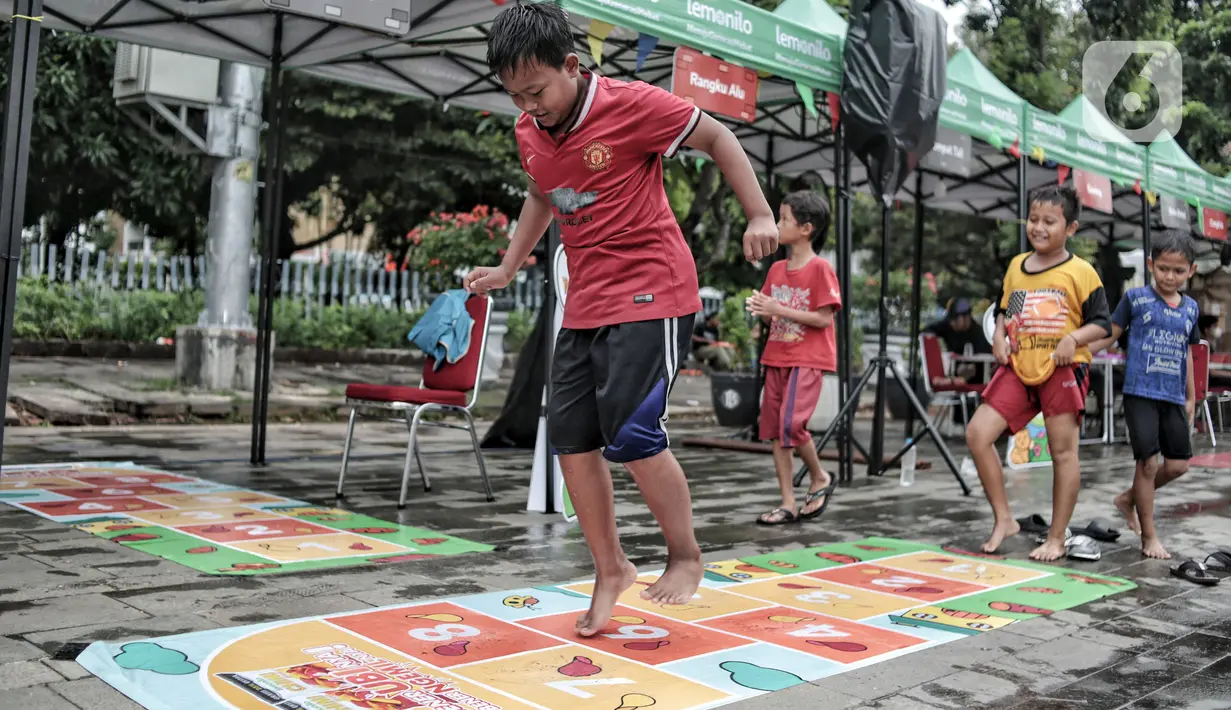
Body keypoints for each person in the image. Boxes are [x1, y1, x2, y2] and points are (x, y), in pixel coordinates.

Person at [462, 1, 778, 637]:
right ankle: (611, 568)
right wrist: (508, 266)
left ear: (571, 67)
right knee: (571, 441)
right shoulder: (530, 131)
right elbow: (541, 193)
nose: (528, 107)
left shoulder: (632, 104)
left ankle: (686, 556)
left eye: (537, 90)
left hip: (653, 291)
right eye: (514, 95)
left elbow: (720, 137)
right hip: (587, 302)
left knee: (632, 434)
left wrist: (761, 215)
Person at [965, 184, 1112, 561]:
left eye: (1050, 221)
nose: (1039, 227)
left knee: (1064, 453)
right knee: (978, 434)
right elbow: (1007, 309)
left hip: (1062, 369)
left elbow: (1103, 325)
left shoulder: (1082, 272)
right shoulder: (1017, 266)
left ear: (1071, 228)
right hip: (1019, 366)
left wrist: (1073, 339)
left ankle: (1057, 537)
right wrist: (998, 335)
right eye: (1033, 219)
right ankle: (1004, 519)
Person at [1089, 230, 1199, 559]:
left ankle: (1129, 498)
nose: (1170, 276)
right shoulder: (1135, 299)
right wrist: (1079, 352)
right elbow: (1110, 335)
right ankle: (1149, 536)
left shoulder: (1191, 308)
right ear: (1151, 264)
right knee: (1148, 464)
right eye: (1164, 268)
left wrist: (1192, 396)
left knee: (1178, 465)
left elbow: (1188, 354)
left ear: (1191, 271)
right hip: (1140, 392)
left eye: (1179, 271)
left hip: (1173, 396)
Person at [746, 190, 840, 525]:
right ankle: (787, 502)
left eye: (784, 218)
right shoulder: (776, 271)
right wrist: (763, 311)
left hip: (807, 358)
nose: (777, 224)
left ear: (806, 228)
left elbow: (824, 318)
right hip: (777, 356)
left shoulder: (821, 269)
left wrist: (777, 308)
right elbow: (773, 315)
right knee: (775, 431)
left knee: (791, 424)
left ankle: (819, 476)